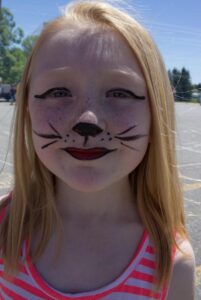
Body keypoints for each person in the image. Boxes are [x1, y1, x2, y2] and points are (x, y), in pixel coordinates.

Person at [0, 1, 195, 299]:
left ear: (156, 114)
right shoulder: (4, 229)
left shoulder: (171, 266)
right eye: (58, 92)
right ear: (27, 107)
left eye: (120, 93)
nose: (87, 121)